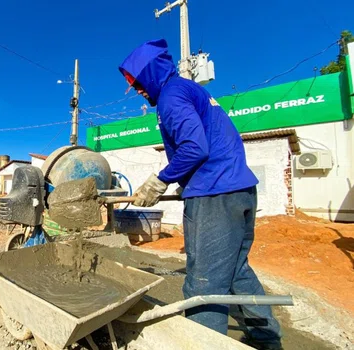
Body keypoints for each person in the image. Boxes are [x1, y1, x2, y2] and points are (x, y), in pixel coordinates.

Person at [119, 39, 282, 349]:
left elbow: (195, 147)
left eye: (139, 82)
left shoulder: (170, 96)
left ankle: (203, 343)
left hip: (214, 195)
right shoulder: (190, 90)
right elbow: (211, 143)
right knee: (236, 271)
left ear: (152, 74)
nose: (138, 90)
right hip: (239, 191)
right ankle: (267, 339)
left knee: (203, 282)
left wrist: (160, 180)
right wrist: (184, 182)